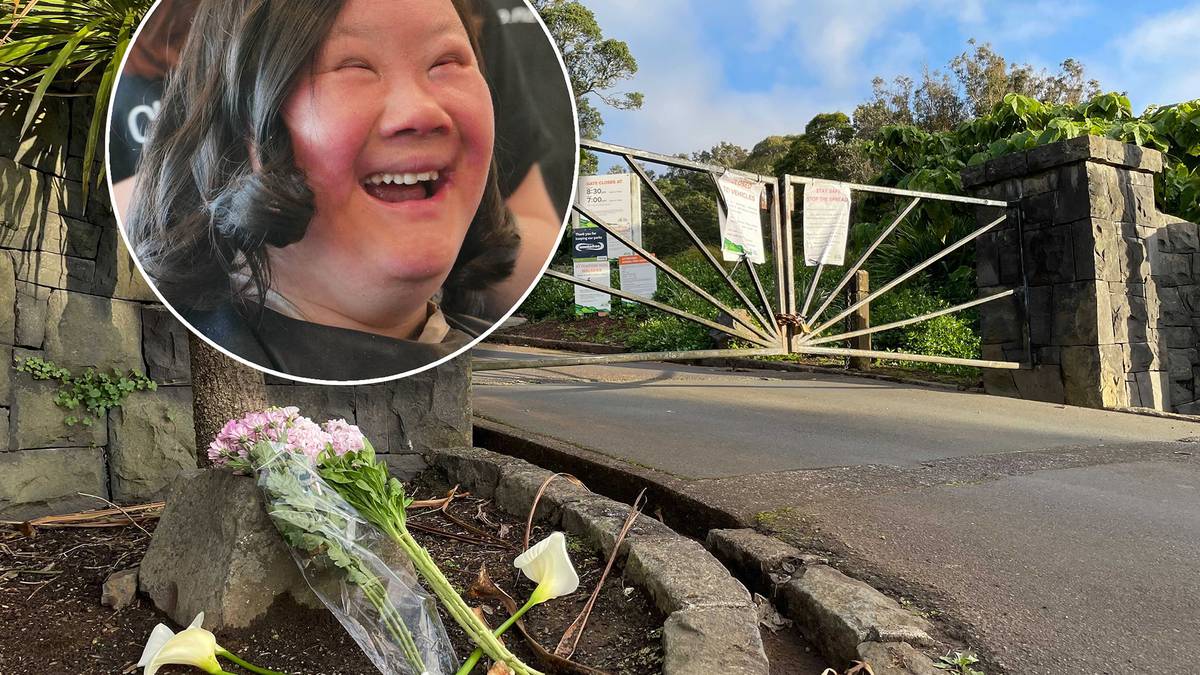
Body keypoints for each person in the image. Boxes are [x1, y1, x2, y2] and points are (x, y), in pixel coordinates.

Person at [124, 0, 519, 381]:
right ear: (243, 126)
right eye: (354, 66)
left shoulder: (476, 338)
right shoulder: (205, 345)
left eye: (446, 62)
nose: (420, 113)